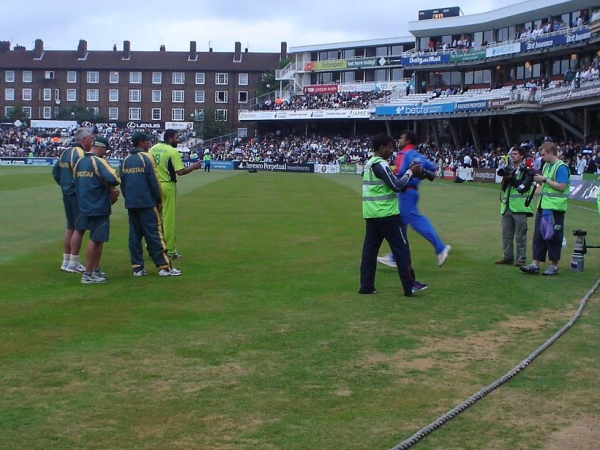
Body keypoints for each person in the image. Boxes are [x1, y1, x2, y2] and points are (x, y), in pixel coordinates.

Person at [359, 134, 428, 297]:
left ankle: (366, 286)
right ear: (381, 147)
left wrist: (410, 174)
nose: (391, 151)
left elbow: (388, 183)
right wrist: (411, 172)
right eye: (389, 148)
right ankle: (410, 285)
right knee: (402, 249)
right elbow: (396, 186)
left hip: (372, 213)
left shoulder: (369, 163)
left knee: (370, 250)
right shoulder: (381, 164)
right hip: (387, 214)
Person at [377, 130, 451, 268]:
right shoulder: (415, 154)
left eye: (402, 137)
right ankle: (395, 256)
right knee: (400, 225)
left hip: (406, 192)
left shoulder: (406, 154)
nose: (399, 139)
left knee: (414, 220)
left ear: (408, 140)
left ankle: (440, 247)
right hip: (410, 192)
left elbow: (405, 171)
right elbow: (432, 170)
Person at [120, 132, 182, 277]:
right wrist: (158, 200)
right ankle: (164, 267)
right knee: (155, 234)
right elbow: (154, 181)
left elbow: (123, 183)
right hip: (147, 202)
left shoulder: (126, 159)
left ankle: (138, 268)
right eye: (147, 141)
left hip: (131, 202)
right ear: (141, 142)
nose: (149, 144)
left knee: (134, 236)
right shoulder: (146, 157)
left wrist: (128, 198)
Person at [74, 137, 121, 284]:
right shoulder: (98, 161)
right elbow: (114, 178)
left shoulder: (80, 162)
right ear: (100, 148)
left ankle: (95, 270)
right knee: (96, 239)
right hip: (98, 205)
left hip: (83, 204)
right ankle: (88, 274)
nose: (105, 153)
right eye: (105, 150)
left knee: (97, 239)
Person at [149, 129, 202, 259]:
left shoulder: (152, 149)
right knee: (168, 219)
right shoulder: (172, 151)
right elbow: (181, 171)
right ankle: (170, 251)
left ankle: (152, 247)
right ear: (170, 138)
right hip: (167, 185)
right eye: (177, 138)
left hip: (154, 185)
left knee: (154, 218)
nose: (179, 140)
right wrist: (194, 167)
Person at [520, 142, 570, 276]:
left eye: (543, 154)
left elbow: (561, 186)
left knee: (553, 237)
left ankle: (554, 266)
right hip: (544, 205)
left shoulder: (561, 167)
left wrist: (545, 180)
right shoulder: (547, 165)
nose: (541, 158)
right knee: (539, 236)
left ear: (551, 152)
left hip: (555, 208)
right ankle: (535, 264)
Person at [52, 127, 92, 273]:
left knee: (70, 227)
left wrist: (64, 185)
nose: (92, 141)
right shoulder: (81, 154)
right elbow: (85, 175)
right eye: (91, 139)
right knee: (79, 228)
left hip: (67, 193)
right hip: (77, 195)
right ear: (84, 139)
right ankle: (73, 262)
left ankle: (66, 261)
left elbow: (56, 172)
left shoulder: (65, 152)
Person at [495, 145, 534, 267]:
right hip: (507, 206)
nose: (512, 156)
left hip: (520, 207)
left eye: (515, 154)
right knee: (506, 234)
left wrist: (512, 178)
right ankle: (507, 256)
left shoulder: (527, 171)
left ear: (522, 156)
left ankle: (521, 258)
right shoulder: (509, 169)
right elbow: (503, 188)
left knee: (520, 234)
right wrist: (506, 178)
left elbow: (522, 188)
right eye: (512, 154)